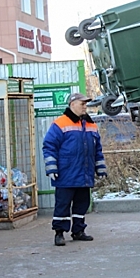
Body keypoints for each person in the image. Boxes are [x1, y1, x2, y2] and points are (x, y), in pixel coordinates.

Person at [43, 92, 107, 246]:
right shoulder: (60, 124)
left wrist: (101, 169)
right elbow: (49, 146)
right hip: (66, 174)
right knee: (63, 205)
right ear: (72, 105)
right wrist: (52, 168)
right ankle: (59, 233)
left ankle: (78, 231)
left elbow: (97, 150)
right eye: (82, 104)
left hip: (84, 174)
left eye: (86, 104)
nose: (85, 107)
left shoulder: (91, 125)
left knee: (81, 204)